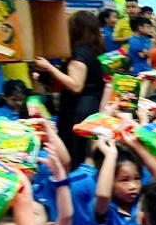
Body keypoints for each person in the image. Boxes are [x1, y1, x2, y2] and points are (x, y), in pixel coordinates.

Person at [38, 9, 106, 167]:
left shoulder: (79, 54)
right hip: (93, 107)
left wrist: (50, 68)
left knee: (75, 152)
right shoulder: (97, 51)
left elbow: (76, 85)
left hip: (77, 111)